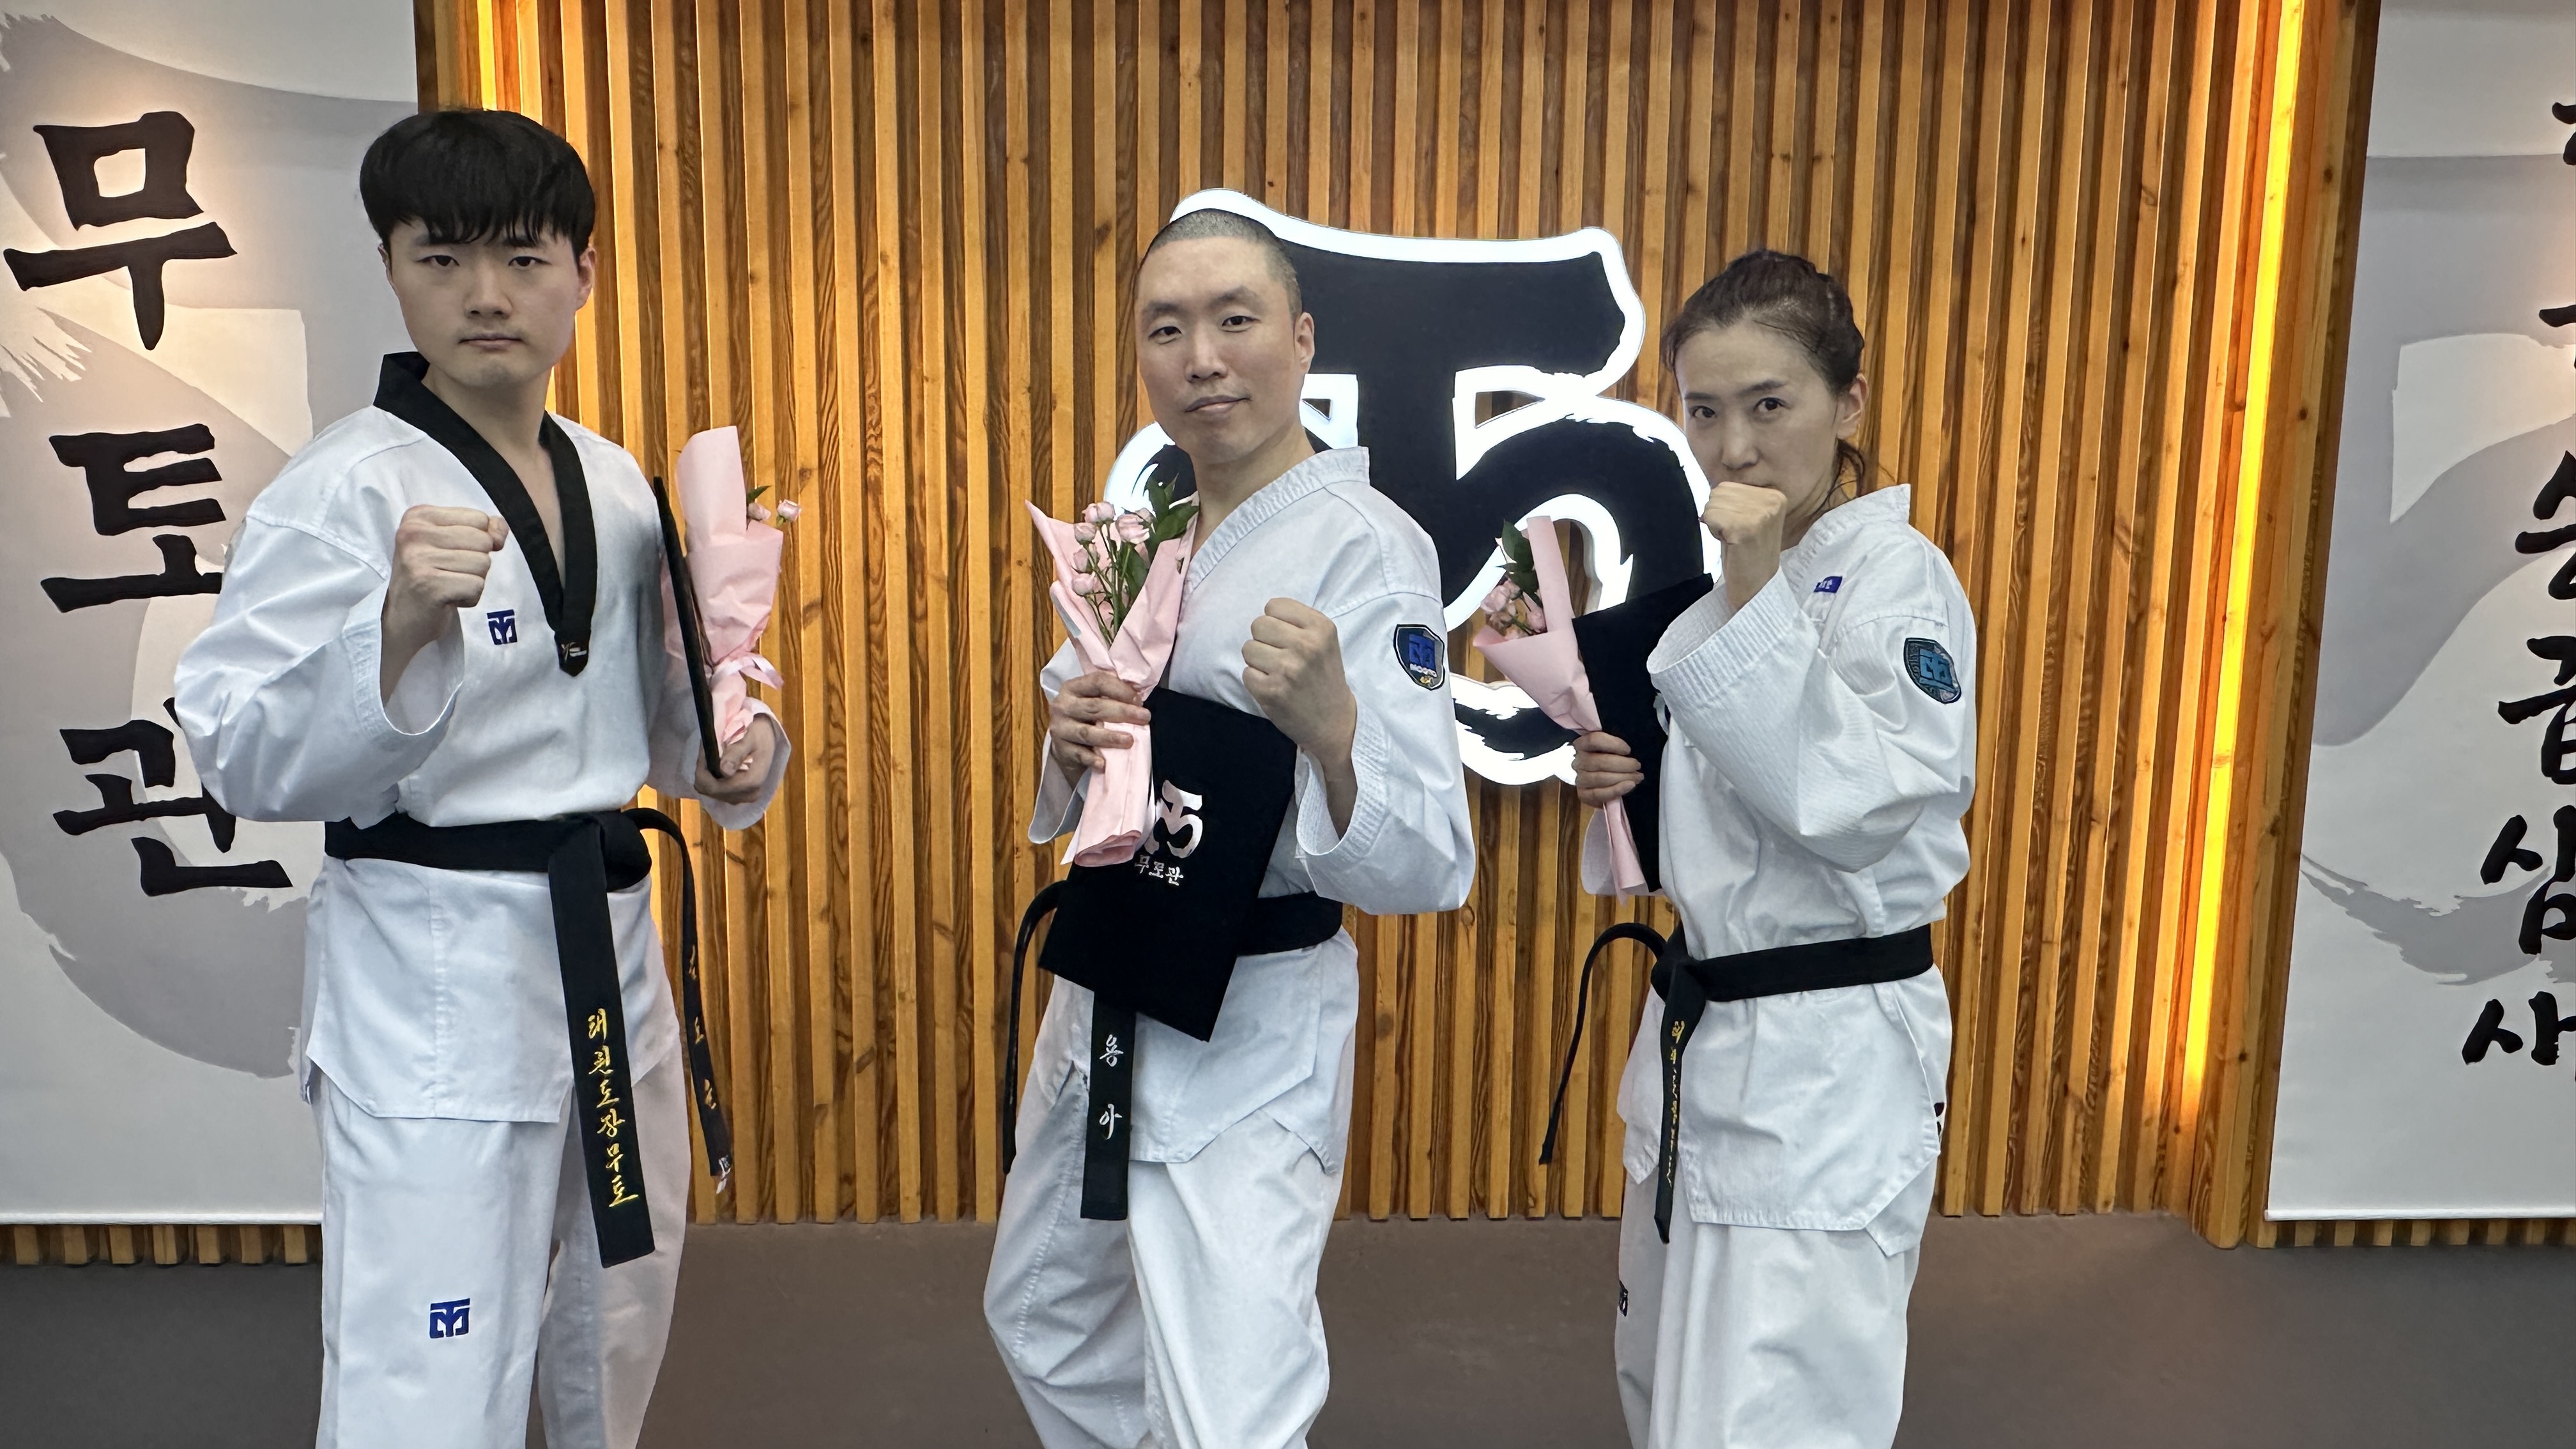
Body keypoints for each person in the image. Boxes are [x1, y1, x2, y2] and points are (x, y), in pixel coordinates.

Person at [173, 109, 787, 1449]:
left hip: (608, 945)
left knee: (617, 1310)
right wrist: (391, 630)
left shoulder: (616, 484)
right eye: (442, 258)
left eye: (522, 256)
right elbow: (232, 745)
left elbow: (658, 729)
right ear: (392, 270)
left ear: (582, 272)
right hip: (434, 967)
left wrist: (730, 751)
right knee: (432, 1355)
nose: (487, 295)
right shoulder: (344, 490)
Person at [985, 208, 1475, 1449]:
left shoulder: (1371, 549)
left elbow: (1433, 858)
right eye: (1167, 330)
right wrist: (1069, 743)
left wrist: (1335, 730)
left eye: (1234, 320)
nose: (1201, 358)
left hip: (1251, 1013)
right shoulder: (1150, 531)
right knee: (1044, 1317)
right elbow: (1084, 773)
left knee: (1230, 1402)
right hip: (1114, 969)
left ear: (1301, 341)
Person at [1570, 250, 1974, 1449]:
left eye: (1768, 405)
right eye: (1704, 411)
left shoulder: (1898, 583)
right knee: (1667, 1386)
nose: (1734, 447)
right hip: (1708, 1032)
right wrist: (1627, 796)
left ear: (1849, 404)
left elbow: (1855, 810)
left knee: (1776, 1410)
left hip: (1825, 1056)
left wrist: (1752, 593)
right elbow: (1728, 833)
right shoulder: (1732, 589)